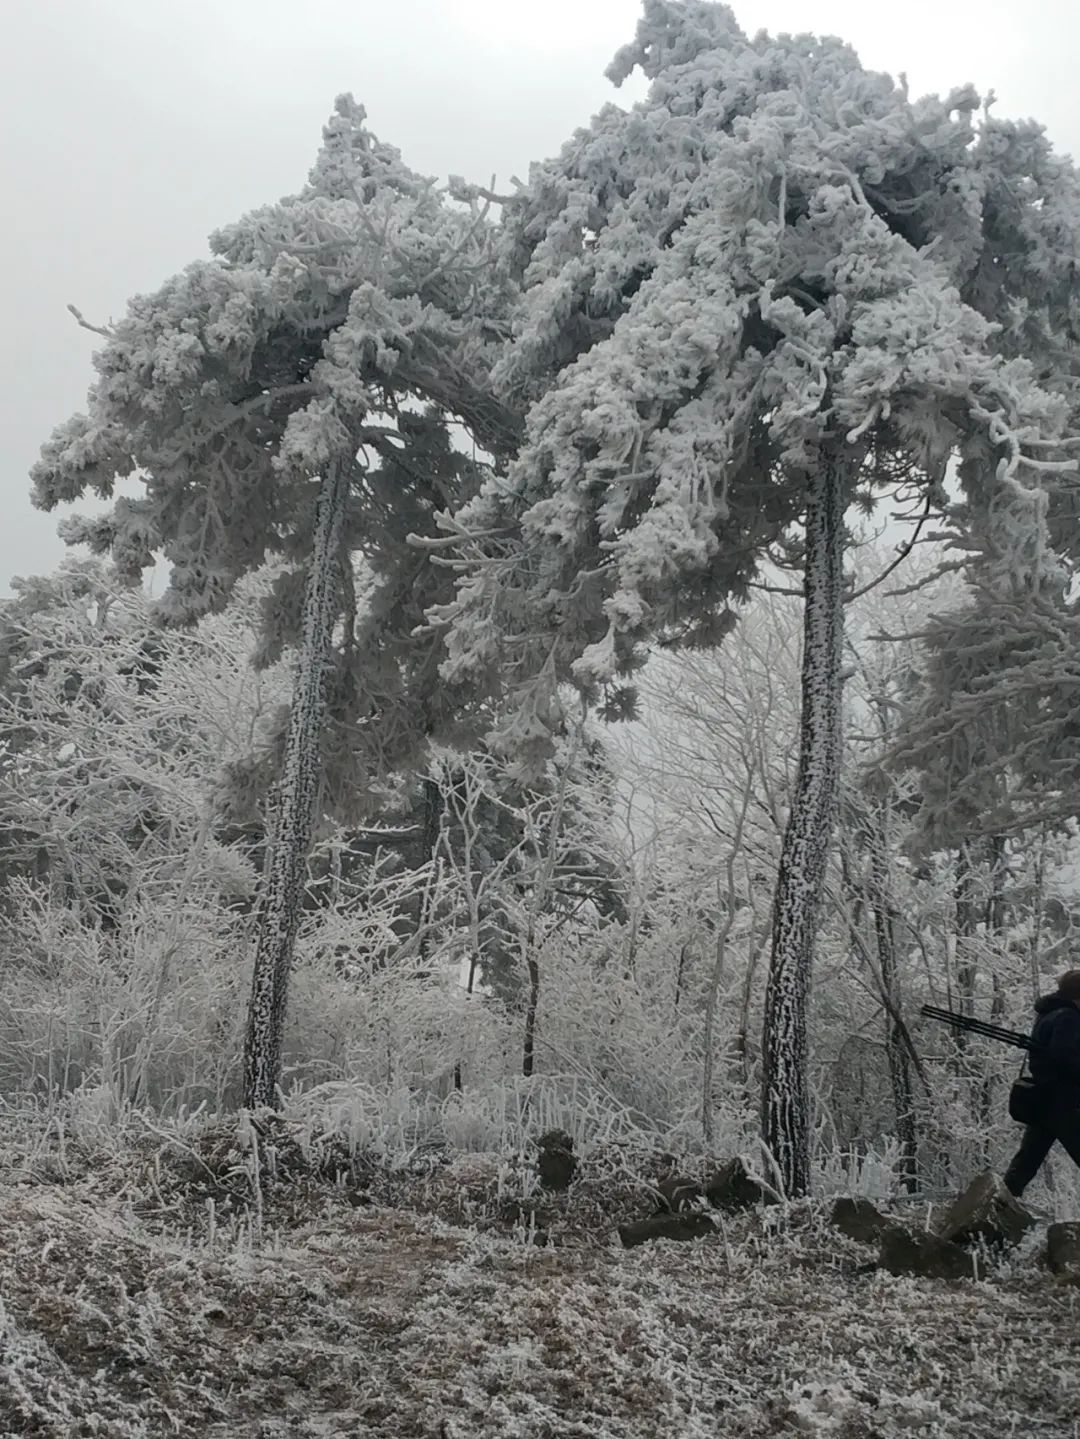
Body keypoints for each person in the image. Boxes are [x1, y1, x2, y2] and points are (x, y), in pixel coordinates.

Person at [1003, 969, 1080, 1197]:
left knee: (1026, 1162)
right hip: (1063, 1103)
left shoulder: (1048, 1014)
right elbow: (1066, 1057)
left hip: (1044, 1101)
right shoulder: (1068, 1017)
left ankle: (997, 1208)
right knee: (1027, 1160)